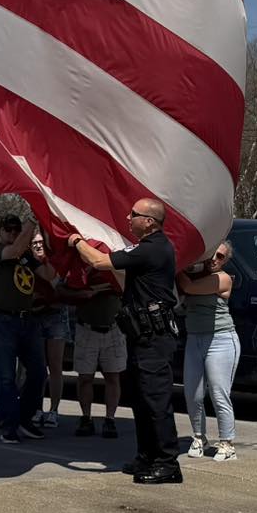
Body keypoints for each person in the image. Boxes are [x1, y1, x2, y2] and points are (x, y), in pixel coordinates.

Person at [69, 198, 181, 484]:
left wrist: (76, 241)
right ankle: (147, 456)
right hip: (141, 335)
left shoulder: (153, 248)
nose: (127, 217)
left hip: (155, 337)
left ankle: (167, 463)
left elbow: (98, 261)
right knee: (141, 400)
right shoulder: (148, 248)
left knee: (156, 401)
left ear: (149, 221)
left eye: (134, 214)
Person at [0, 214, 48, 443]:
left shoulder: (27, 256)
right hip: (2, 321)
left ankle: (25, 418)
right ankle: (9, 425)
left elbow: (49, 275)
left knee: (39, 373)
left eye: (16, 230)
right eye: (8, 229)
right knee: (6, 377)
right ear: (0, 231)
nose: (12, 234)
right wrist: (33, 219)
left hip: (27, 320)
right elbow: (12, 251)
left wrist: (47, 251)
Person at [179, 241, 239, 461]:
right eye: (211, 255)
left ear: (226, 260)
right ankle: (198, 437)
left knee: (218, 393)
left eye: (220, 256)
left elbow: (189, 288)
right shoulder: (193, 275)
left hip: (221, 340)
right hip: (195, 338)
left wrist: (176, 267)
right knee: (192, 394)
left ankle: (227, 443)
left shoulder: (222, 278)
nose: (215, 259)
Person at [68, 267, 126, 438]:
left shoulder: (116, 265)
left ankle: (110, 419)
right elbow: (62, 289)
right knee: (85, 377)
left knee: (112, 376)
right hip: (87, 327)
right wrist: (84, 293)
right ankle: (86, 417)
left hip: (113, 328)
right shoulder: (80, 267)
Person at [32, 231, 74, 429]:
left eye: (41, 242)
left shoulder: (55, 263)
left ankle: (54, 410)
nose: (38, 246)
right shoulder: (27, 264)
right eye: (35, 243)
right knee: (36, 366)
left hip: (56, 316)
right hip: (35, 317)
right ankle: (36, 408)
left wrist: (48, 260)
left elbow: (53, 281)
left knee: (55, 366)